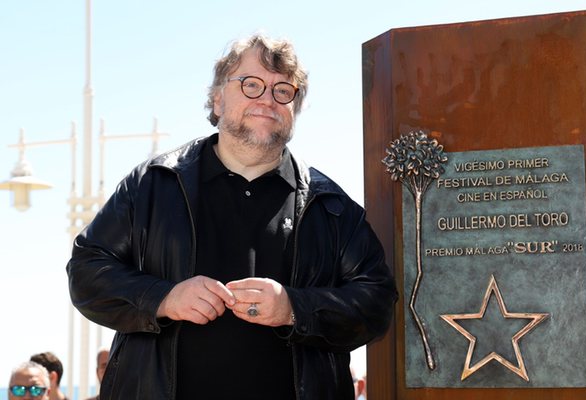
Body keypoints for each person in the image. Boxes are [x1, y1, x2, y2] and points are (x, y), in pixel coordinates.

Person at [66, 33, 397, 400]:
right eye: (252, 85)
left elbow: (376, 303)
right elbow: (86, 271)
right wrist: (164, 298)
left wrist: (294, 308)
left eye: (283, 90)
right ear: (218, 98)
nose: (267, 100)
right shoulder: (152, 185)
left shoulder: (331, 206)